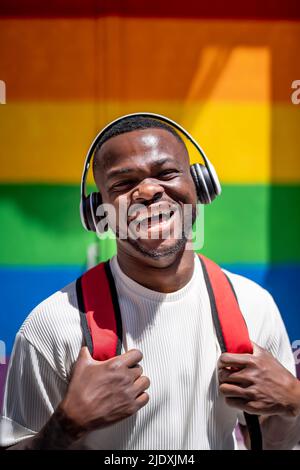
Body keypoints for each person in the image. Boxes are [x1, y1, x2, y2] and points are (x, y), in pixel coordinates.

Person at [1, 116, 299, 450]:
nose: (147, 190)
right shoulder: (51, 327)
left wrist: (293, 403)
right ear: (98, 212)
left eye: (166, 173)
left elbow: (280, 445)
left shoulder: (253, 306)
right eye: (123, 183)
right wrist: (67, 424)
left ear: (200, 185)